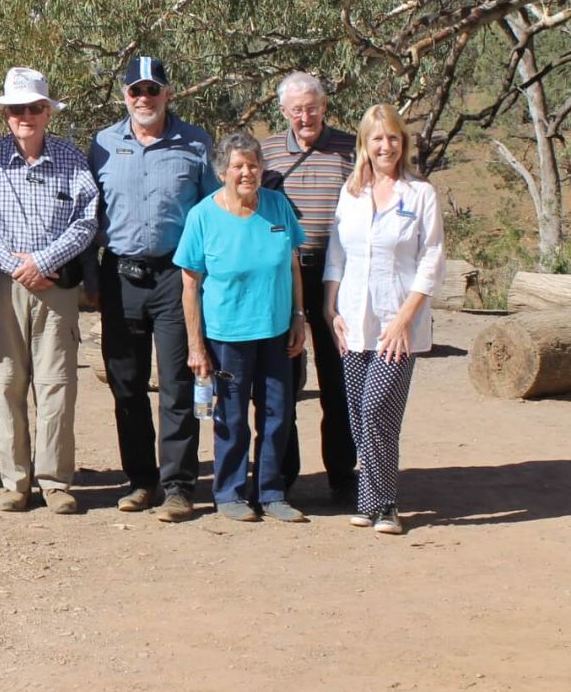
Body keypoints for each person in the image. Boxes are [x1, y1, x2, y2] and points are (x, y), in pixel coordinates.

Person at [89, 55, 219, 522]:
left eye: (153, 89)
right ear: (125, 95)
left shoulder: (196, 143)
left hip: (175, 278)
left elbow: (211, 212)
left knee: (177, 383)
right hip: (119, 275)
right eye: (135, 91)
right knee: (126, 385)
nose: (144, 98)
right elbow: (90, 215)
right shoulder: (103, 144)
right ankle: (141, 481)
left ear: (168, 93)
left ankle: (179, 486)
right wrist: (90, 277)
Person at [0, 68, 98, 514]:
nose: (25, 116)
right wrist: (16, 265)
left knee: (56, 383)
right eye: (16, 109)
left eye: (34, 108)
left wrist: (43, 262)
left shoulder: (72, 158)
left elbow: (86, 220)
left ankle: (55, 481)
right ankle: (15, 481)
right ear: (5, 115)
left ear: (47, 112)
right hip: (1, 283)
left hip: (56, 285)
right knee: (7, 382)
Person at [324, 104, 445, 535]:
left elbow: (431, 260)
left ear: (403, 143)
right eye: (377, 138)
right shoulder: (351, 192)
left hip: (398, 320)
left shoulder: (420, 194)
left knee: (377, 408)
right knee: (359, 413)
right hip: (354, 318)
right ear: (364, 145)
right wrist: (330, 307)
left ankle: (386, 502)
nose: (385, 145)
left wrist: (404, 320)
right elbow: (337, 253)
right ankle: (371, 501)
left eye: (392, 137)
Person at [176, 132, 309, 522]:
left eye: (253, 165)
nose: (246, 173)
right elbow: (189, 284)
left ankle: (271, 492)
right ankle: (230, 493)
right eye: (238, 166)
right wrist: (196, 345)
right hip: (227, 335)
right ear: (222, 172)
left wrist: (299, 317)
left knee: (277, 414)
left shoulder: (278, 206)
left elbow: (293, 264)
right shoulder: (202, 215)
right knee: (231, 417)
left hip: (275, 331)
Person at [261, 72, 357, 504]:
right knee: (283, 379)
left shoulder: (351, 149)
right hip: (284, 277)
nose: (305, 116)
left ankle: (343, 472)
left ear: (324, 107)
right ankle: (282, 476)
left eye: (312, 107)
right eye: (296, 109)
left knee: (338, 380)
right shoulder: (264, 155)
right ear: (283, 112)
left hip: (338, 278)